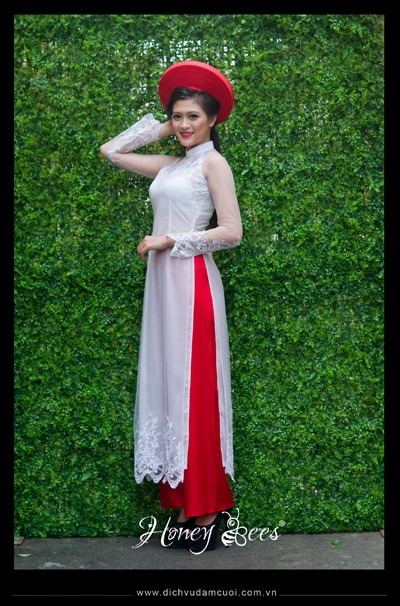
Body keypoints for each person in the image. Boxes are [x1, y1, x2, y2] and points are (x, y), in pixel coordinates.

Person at [100, 61, 242, 553]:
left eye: (193, 117)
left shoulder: (213, 164)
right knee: (170, 389)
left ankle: (207, 507)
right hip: (162, 288)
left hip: (192, 284)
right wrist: (163, 128)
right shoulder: (172, 165)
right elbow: (111, 151)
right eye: (177, 116)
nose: (184, 124)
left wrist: (170, 239)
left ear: (213, 119)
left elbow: (232, 231)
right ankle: (185, 503)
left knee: (194, 390)